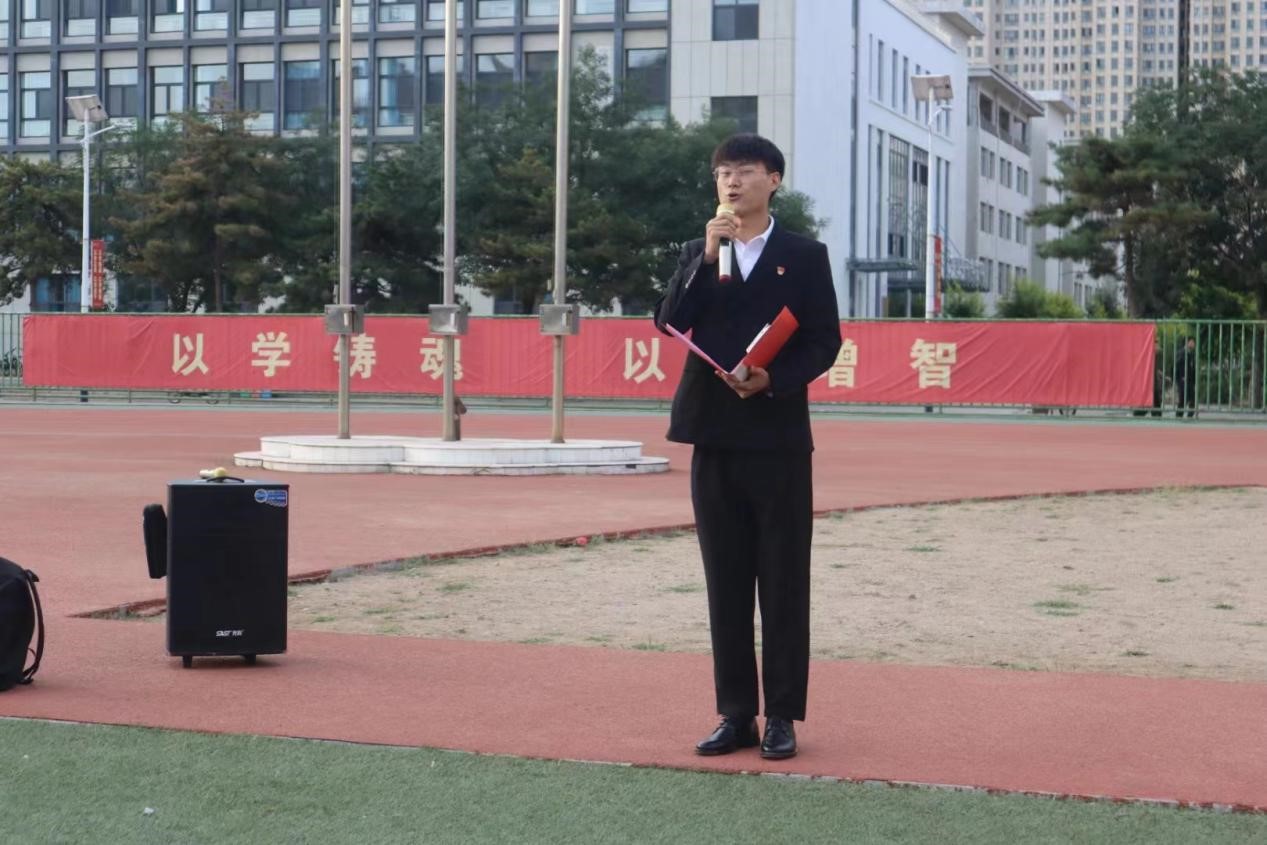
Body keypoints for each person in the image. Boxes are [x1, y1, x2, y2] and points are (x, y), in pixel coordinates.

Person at [653, 134, 841, 760]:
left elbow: (824, 341)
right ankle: (735, 714)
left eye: (744, 171)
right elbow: (669, 320)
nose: (731, 182)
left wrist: (773, 378)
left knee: (783, 581)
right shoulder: (699, 250)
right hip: (713, 434)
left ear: (774, 180)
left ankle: (782, 714)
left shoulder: (804, 256)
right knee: (725, 581)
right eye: (722, 173)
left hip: (777, 434)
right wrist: (708, 257)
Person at [1175, 335, 1197, 418]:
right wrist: (1180, 377)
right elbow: (1177, 366)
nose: (1194, 344)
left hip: (1190, 380)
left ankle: (1189, 415)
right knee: (1183, 399)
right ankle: (1179, 415)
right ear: (1187, 343)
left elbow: (1192, 367)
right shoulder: (1181, 353)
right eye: (1192, 342)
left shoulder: (1191, 354)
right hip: (1183, 380)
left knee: (1192, 400)